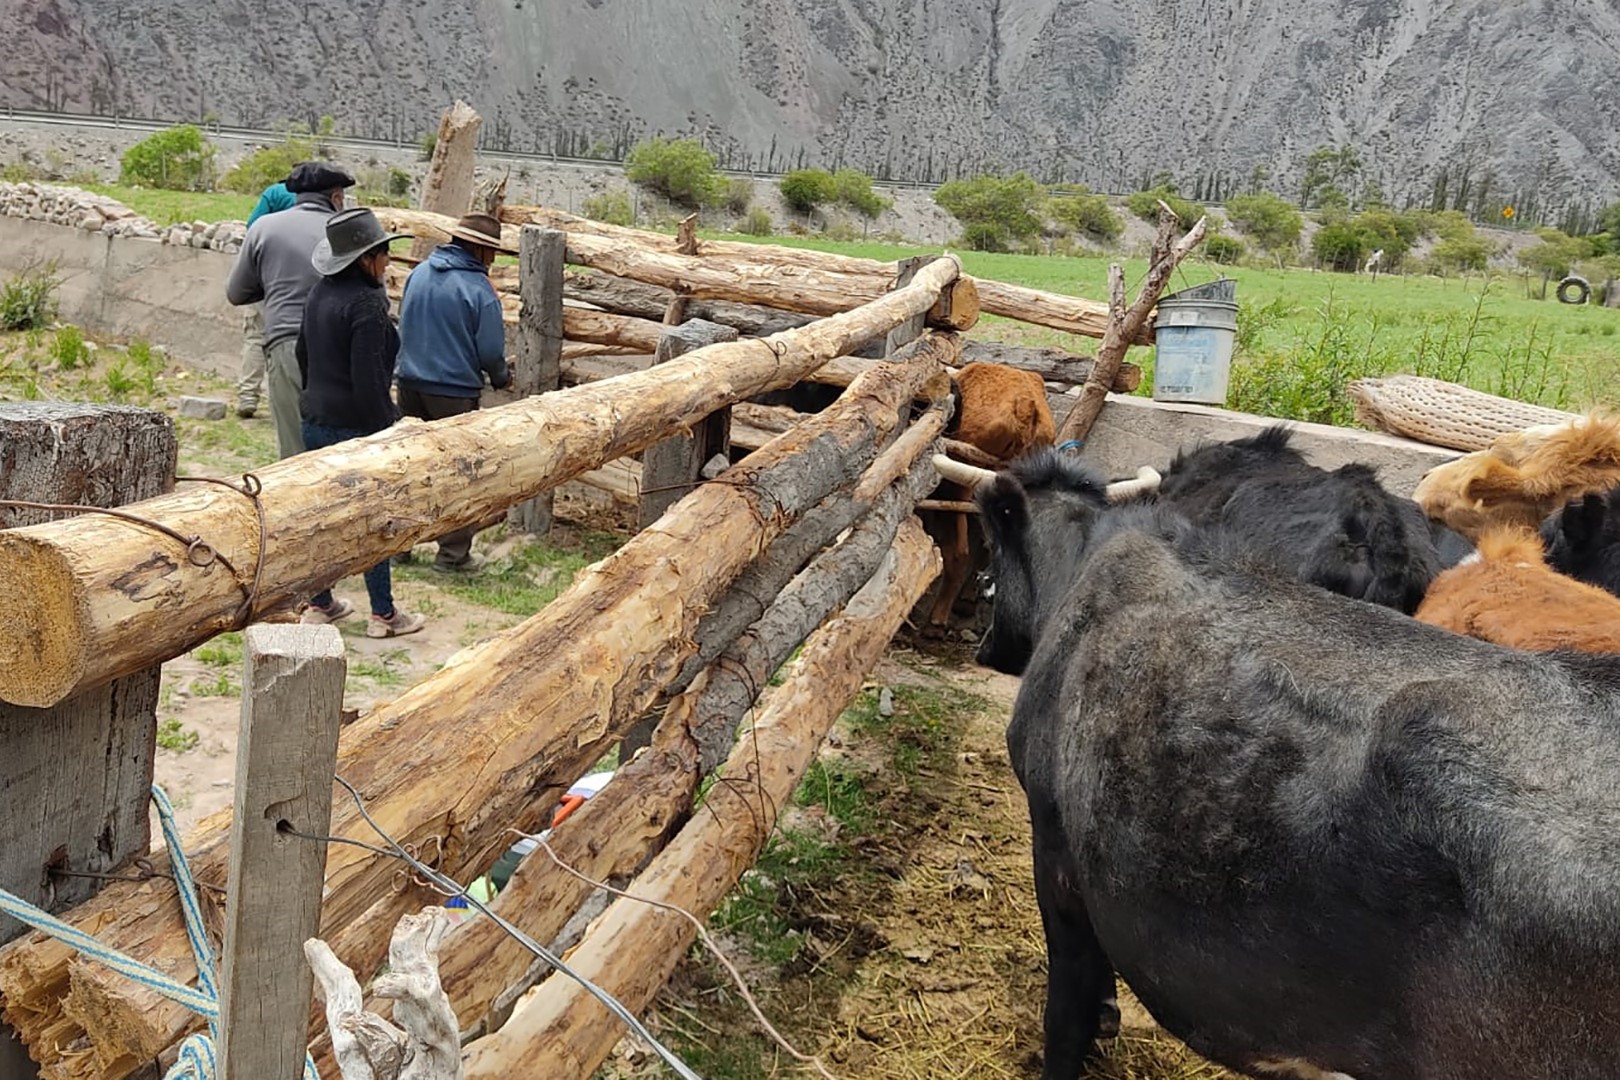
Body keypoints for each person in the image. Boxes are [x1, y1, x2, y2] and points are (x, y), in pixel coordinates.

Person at [296, 208, 427, 639]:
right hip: (354, 425)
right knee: (375, 519)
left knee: (324, 515)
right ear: (366, 259)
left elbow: (302, 355)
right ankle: (384, 615)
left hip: (315, 418)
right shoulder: (368, 304)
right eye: (384, 253)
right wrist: (388, 427)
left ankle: (320, 603)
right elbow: (369, 381)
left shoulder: (320, 293)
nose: (388, 261)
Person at [394, 211, 512, 572]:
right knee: (463, 473)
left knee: (413, 468)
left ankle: (399, 545)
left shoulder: (419, 274)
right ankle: (452, 555)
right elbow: (490, 350)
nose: (492, 259)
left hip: (410, 383)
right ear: (480, 250)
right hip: (454, 391)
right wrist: (501, 376)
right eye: (491, 252)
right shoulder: (478, 290)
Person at [225, 161, 356, 458]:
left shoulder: (263, 228)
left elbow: (236, 293)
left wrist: (273, 284)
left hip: (286, 342)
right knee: (342, 447)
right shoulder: (347, 232)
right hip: (340, 348)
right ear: (336, 197)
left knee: (294, 449)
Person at [233, 175, 299, 419]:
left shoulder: (274, 192)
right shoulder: (322, 199)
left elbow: (252, 226)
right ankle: (285, 401)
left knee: (255, 336)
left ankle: (248, 397)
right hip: (299, 283)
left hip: (264, 276)